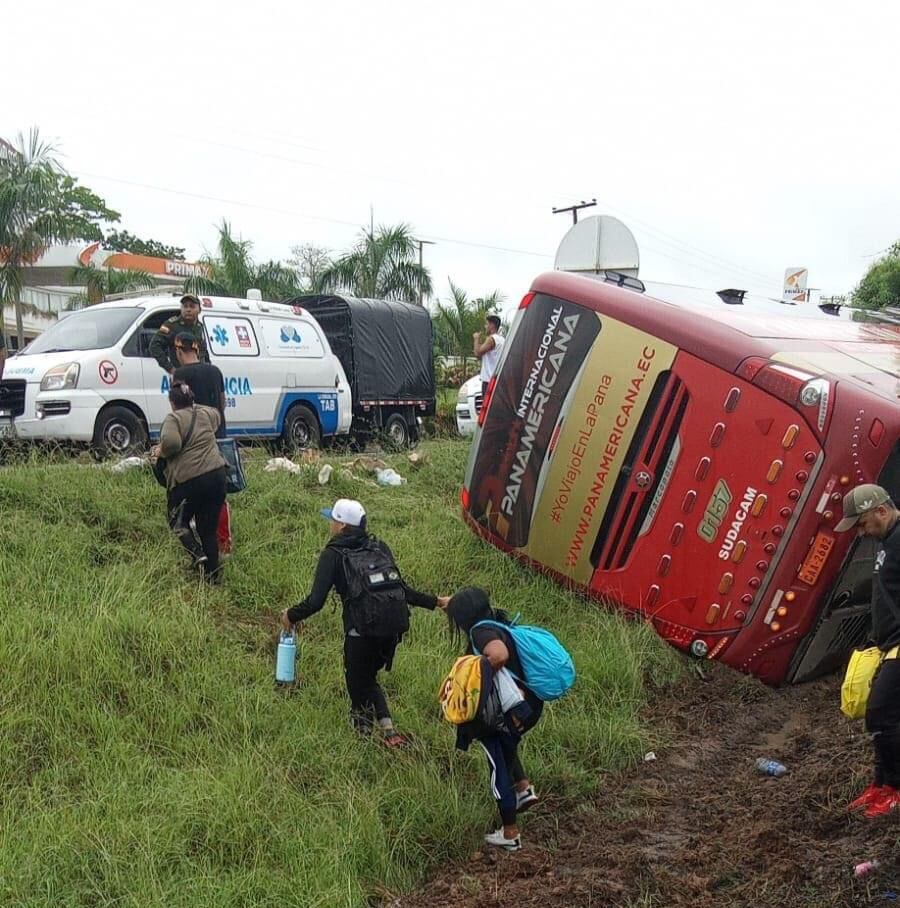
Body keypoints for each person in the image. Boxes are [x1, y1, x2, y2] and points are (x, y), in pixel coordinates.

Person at [280, 499, 449, 746]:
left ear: (341, 525)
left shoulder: (333, 554)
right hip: (392, 629)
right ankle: (388, 729)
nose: (330, 524)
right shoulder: (379, 546)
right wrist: (436, 602)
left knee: (357, 684)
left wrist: (290, 616)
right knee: (368, 678)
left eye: (333, 519)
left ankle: (363, 738)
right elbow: (402, 590)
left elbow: (316, 601)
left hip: (361, 631)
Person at [446, 587, 543, 851]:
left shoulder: (480, 631)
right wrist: (445, 602)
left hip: (504, 713)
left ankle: (510, 833)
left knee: (497, 764)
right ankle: (524, 789)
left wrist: (473, 675)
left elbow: (499, 655)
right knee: (507, 748)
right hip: (528, 705)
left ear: (464, 617)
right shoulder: (496, 621)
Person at [837, 484, 900, 818]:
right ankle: (881, 784)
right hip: (888, 644)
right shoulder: (885, 543)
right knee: (881, 716)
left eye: (861, 524)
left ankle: (895, 789)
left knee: (880, 713)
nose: (860, 532)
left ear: (881, 510)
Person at [153, 382, 227, 582]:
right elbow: (217, 415)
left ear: (171, 402)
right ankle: (213, 576)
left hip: (189, 481)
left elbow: (172, 443)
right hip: (217, 476)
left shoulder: (173, 418)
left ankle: (196, 553)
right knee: (207, 529)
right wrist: (193, 405)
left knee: (177, 520)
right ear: (192, 400)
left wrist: (161, 451)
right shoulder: (205, 414)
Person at [172, 332, 232, 555]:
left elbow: (178, 407)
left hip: (196, 442)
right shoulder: (215, 371)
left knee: (197, 494)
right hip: (220, 434)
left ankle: (202, 546)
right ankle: (224, 543)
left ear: (179, 351)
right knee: (220, 495)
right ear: (196, 349)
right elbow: (223, 402)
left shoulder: (180, 374)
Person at [149, 294, 209, 375]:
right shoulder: (172, 325)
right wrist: (170, 369)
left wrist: (208, 368)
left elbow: (203, 351)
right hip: (182, 374)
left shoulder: (199, 326)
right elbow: (154, 346)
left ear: (199, 309)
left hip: (199, 373)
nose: (188, 309)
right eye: (185, 306)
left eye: (192, 306)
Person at [473, 314, 505, 409]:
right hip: (497, 380)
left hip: (488, 381)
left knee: (487, 409)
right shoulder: (502, 340)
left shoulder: (491, 339)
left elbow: (478, 353)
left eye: (486, 324)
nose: (485, 327)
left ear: (492, 325)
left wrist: (476, 339)